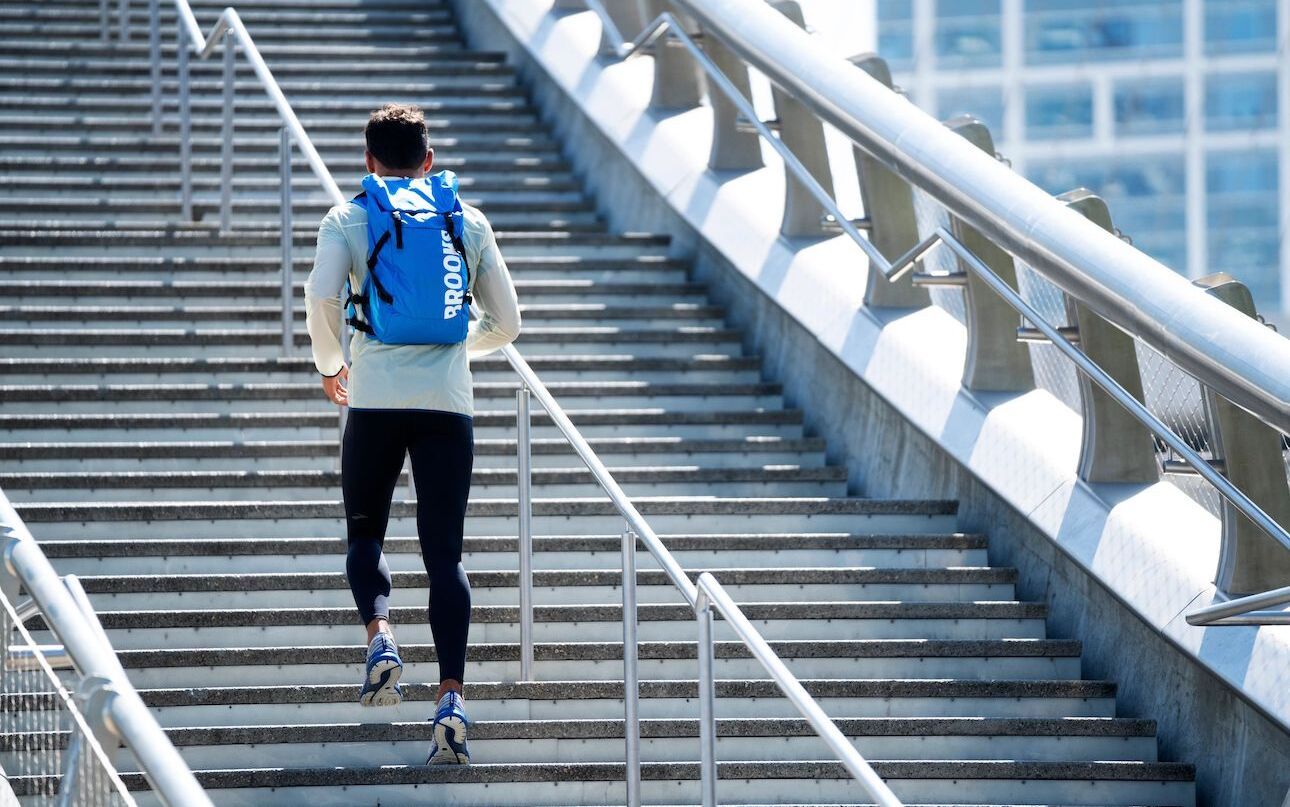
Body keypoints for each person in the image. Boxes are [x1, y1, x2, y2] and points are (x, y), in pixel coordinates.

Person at [304, 103, 521, 766]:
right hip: (448, 405)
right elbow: (508, 322)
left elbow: (319, 295)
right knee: (445, 556)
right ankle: (451, 701)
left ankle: (380, 636)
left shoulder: (349, 217)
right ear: (429, 161)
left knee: (366, 533)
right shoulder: (467, 219)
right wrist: (454, 344)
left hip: (374, 397)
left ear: (369, 161)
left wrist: (333, 365)